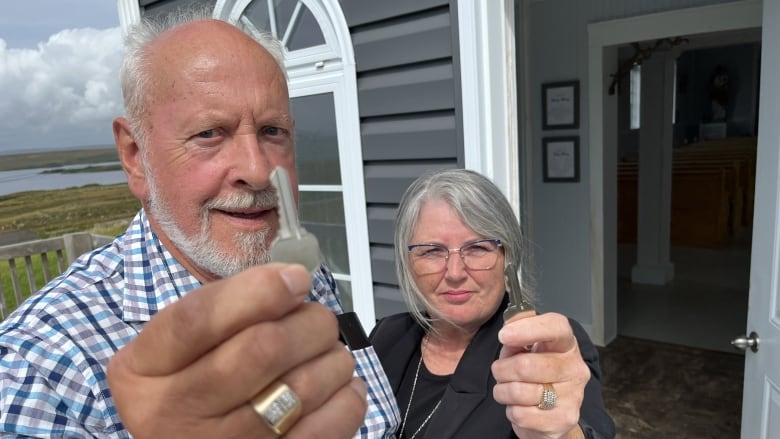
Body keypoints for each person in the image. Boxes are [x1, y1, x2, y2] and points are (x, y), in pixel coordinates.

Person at [0, 9, 399, 439]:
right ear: (135, 156)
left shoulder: (300, 271)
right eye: (209, 133)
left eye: (272, 130)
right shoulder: (43, 366)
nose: (259, 170)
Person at [370, 169, 616, 438]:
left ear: (507, 259)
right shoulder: (385, 336)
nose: (454, 273)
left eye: (477, 248)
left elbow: (587, 426)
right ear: (408, 263)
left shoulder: (543, 349)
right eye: (431, 251)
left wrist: (556, 425)